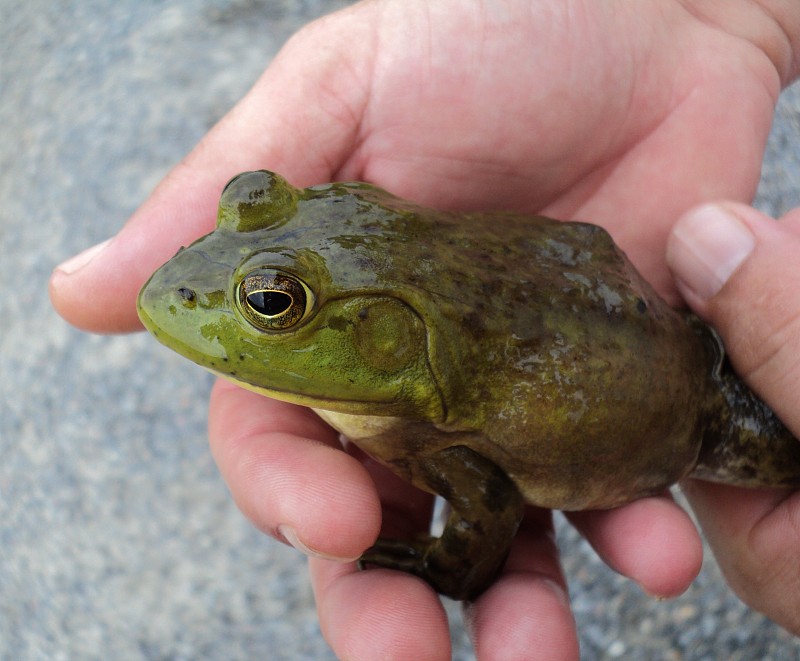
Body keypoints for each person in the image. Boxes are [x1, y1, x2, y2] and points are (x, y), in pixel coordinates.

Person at [50, 2, 800, 659]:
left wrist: (449, 564)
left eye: (273, 302)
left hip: (694, 406)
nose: (187, 281)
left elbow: (490, 503)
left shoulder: (430, 427)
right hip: (612, 295)